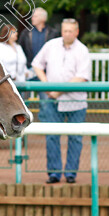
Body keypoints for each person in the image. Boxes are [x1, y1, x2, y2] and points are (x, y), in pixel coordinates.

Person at [32, 18, 91, 184]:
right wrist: (46, 85)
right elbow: (37, 64)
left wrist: (57, 91)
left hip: (76, 102)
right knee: (51, 136)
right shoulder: (51, 45)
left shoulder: (82, 50)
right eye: (65, 31)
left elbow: (82, 77)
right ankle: (54, 173)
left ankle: (71, 173)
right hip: (52, 100)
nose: (67, 34)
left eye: (70, 31)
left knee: (75, 138)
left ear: (77, 32)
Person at [0, 24, 29, 151]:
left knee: (22, 113)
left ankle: (19, 140)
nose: (16, 35)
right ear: (6, 34)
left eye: (16, 33)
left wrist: (28, 73)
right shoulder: (0, 47)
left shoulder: (19, 47)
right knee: (3, 112)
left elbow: (23, 66)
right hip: (7, 85)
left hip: (20, 85)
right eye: (13, 32)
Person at [17, 8, 59, 79]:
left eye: (35, 16)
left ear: (43, 18)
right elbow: (20, 50)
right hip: (30, 71)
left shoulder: (53, 33)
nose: (32, 18)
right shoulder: (26, 33)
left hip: (48, 71)